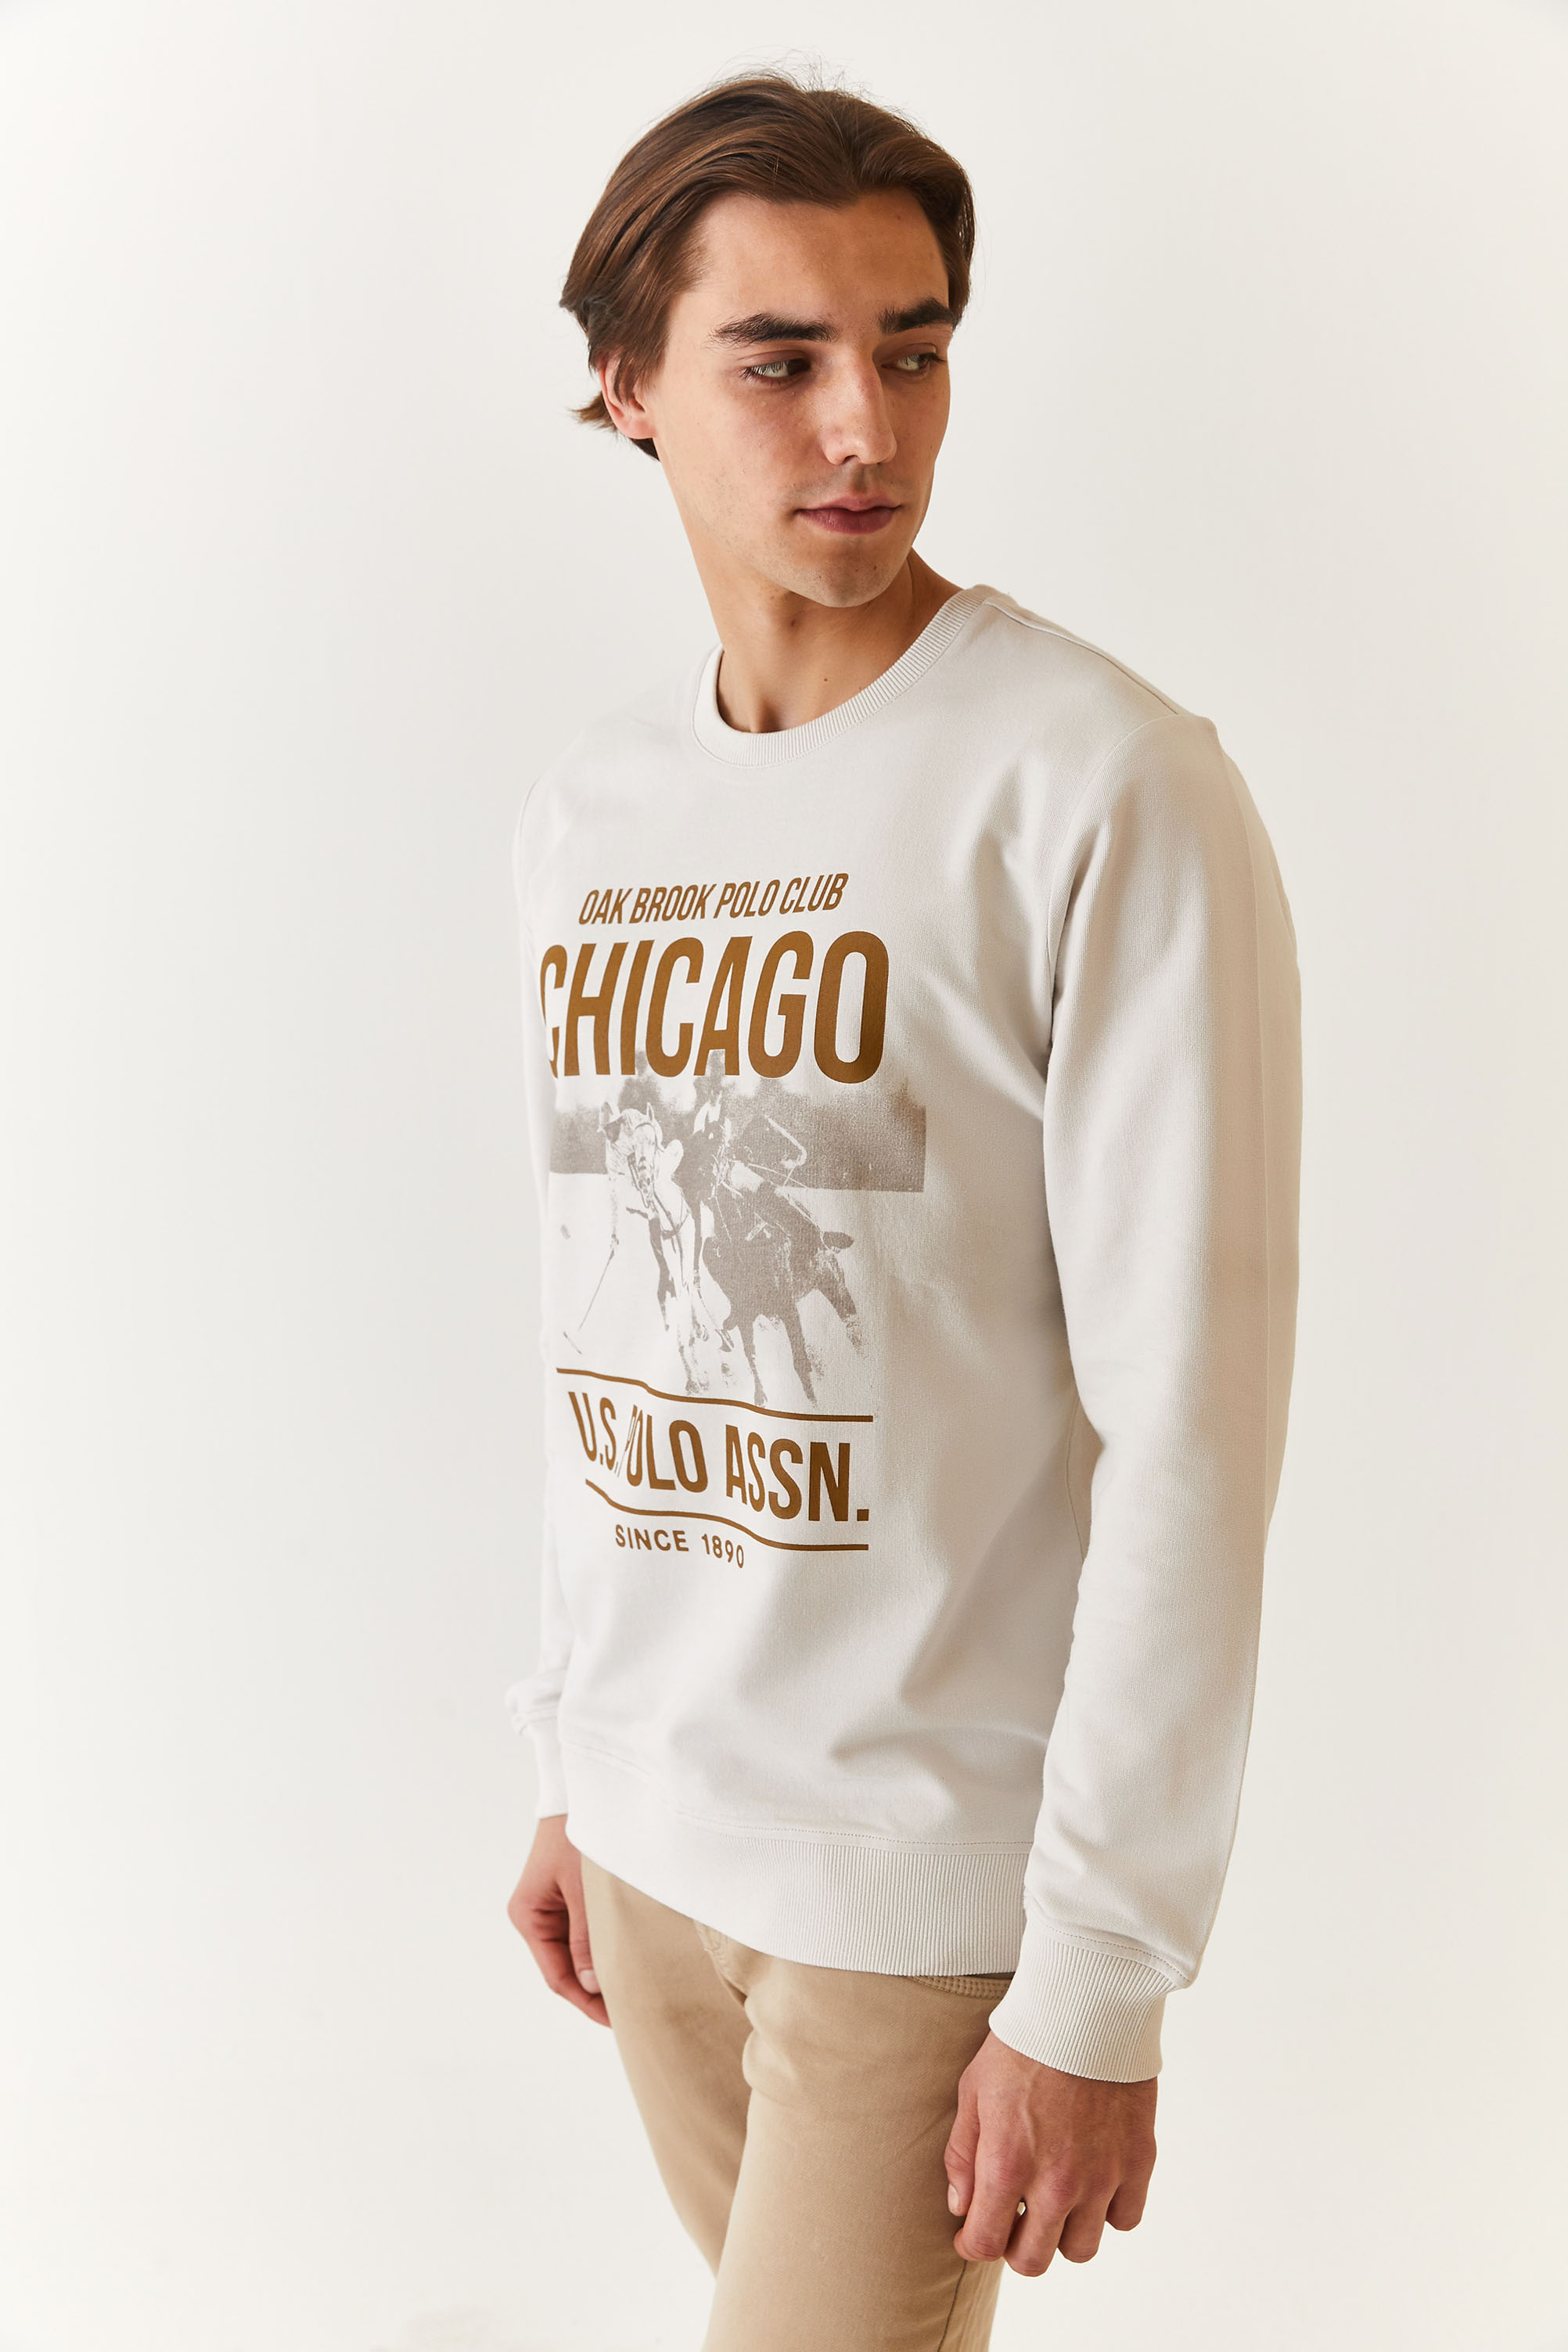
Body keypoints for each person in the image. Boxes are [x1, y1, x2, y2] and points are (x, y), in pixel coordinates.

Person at [504, 69, 1300, 2352]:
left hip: (914, 1888)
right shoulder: (592, 814)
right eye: (779, 360)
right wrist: (572, 1758)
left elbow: (1191, 1420)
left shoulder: (1101, 785)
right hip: (649, 1857)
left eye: (914, 348)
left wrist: (1100, 1974)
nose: (867, 426)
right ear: (628, 384)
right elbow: (594, 1311)